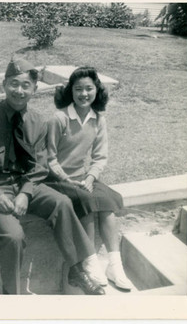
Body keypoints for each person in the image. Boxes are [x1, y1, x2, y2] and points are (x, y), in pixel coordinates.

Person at [0, 57, 105, 295]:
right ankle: (12, 295)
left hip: (25, 183)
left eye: (25, 86)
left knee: (61, 202)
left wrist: (25, 194)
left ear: (35, 90)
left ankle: (75, 268)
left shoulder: (38, 122)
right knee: (13, 236)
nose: (19, 91)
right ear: (4, 84)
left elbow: (39, 165)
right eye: (14, 84)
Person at [45, 66, 132, 291]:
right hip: (55, 179)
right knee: (86, 201)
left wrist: (91, 177)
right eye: (78, 89)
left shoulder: (98, 120)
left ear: (97, 91)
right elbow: (49, 157)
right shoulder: (59, 118)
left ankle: (115, 265)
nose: (84, 94)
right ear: (70, 92)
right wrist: (66, 178)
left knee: (107, 202)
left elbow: (100, 156)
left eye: (89, 89)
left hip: (82, 177)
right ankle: (90, 262)